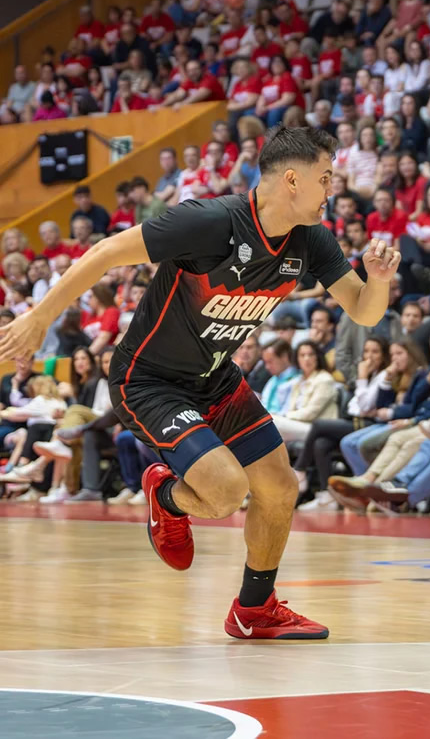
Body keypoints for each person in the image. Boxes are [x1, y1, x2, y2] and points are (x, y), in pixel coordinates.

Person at [0, 126, 402, 640]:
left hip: (215, 378)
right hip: (148, 380)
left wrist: (378, 281)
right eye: (325, 178)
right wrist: (39, 317)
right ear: (292, 180)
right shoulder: (210, 222)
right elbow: (105, 252)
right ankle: (167, 497)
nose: (332, 189)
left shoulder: (313, 240)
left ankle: (253, 611)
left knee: (280, 488)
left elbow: (364, 312)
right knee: (225, 493)